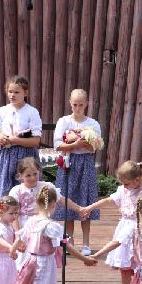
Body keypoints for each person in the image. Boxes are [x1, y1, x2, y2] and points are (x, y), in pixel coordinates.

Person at [0, 185, 97, 284]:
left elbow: (19, 237)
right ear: (53, 205)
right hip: (42, 265)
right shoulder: (51, 226)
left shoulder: (32, 220)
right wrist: (84, 259)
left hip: (34, 261)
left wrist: (13, 250)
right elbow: (66, 246)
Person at [52, 88, 103, 255]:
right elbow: (58, 145)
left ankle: (86, 243)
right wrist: (76, 144)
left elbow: (94, 146)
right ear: (70, 103)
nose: (78, 108)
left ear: (86, 104)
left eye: (81, 105)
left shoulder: (93, 123)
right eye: (75, 104)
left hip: (86, 164)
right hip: (68, 163)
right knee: (68, 201)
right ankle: (69, 241)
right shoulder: (64, 121)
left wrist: (79, 141)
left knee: (85, 201)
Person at [0, 75, 43, 207]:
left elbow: (35, 141)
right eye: (10, 91)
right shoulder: (2, 111)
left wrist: (15, 140)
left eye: (16, 92)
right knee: (2, 195)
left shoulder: (31, 112)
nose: (12, 95)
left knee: (26, 196)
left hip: (26, 158)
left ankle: (24, 226)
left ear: (25, 93)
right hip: (5, 157)